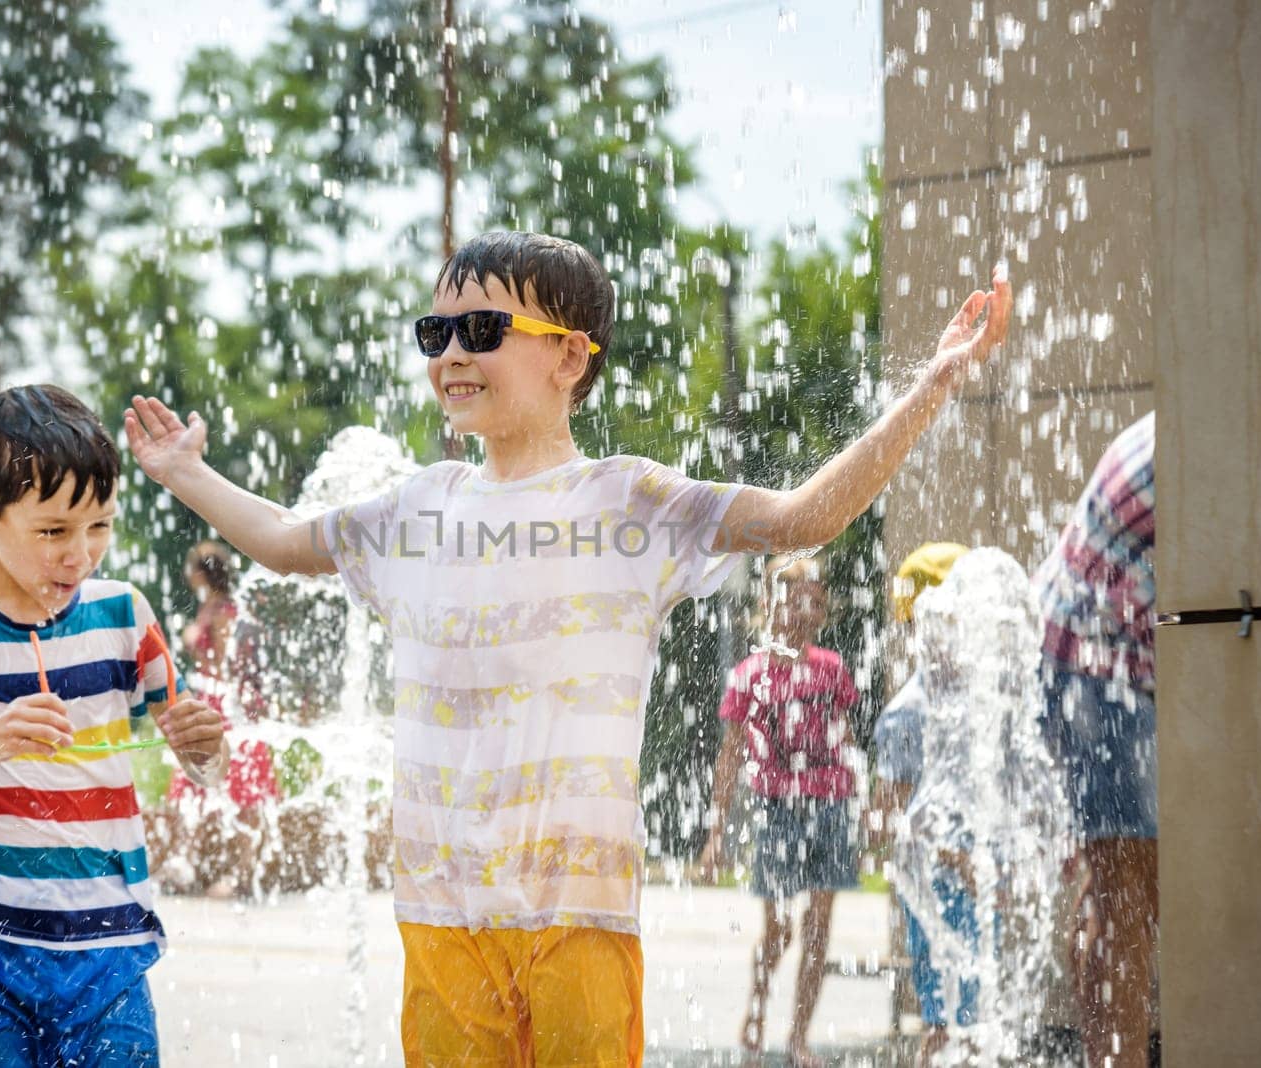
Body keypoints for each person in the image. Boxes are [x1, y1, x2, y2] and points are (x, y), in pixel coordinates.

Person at [123, 230, 1011, 1065]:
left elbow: (801, 518)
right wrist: (185, 472)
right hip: (441, 910)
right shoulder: (414, 511)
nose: (451, 355)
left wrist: (930, 386)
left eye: (480, 329)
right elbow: (283, 538)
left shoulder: (630, 503)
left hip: (578, 910)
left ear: (569, 355)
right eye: (437, 332)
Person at [0, 385, 229, 1067]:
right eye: (54, 531)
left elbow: (205, 764)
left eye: (100, 525)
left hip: (108, 952)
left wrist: (206, 750)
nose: (80, 554)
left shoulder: (124, 615)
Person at [696, 557, 861, 1068]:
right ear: (770, 604)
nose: (802, 606)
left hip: (831, 803)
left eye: (812, 596)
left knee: (818, 927)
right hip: (778, 807)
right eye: (791, 596)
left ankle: (797, 1036)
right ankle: (757, 1010)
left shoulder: (832, 669)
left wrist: (866, 799)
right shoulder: (750, 675)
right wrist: (715, 833)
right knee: (780, 928)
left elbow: (845, 736)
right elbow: (730, 755)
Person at [1034, 411, 1157, 1068]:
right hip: (1088, 663)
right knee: (1125, 890)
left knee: (1122, 886)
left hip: (1101, 662)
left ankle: (1108, 1057)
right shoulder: (1205, 432)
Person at [870, 542, 977, 1065]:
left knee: (974, 1021)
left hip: (976, 875)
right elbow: (900, 818)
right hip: (941, 888)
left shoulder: (976, 698)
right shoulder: (908, 712)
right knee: (944, 1022)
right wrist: (962, 865)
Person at [165, 540, 278, 897]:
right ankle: (188, 864)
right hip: (216, 702)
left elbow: (231, 661)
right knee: (198, 786)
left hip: (223, 706)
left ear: (202, 573)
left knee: (238, 790)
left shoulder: (224, 612)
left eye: (191, 568)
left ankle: (240, 875)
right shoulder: (217, 607)